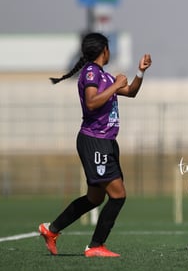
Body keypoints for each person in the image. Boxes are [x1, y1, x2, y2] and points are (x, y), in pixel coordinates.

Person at [38, 32, 152, 257]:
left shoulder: (105, 76)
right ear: (104, 51)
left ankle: (51, 230)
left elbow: (131, 92)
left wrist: (140, 72)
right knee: (118, 195)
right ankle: (95, 246)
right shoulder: (91, 72)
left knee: (95, 198)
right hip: (95, 141)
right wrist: (116, 84)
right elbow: (91, 103)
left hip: (106, 142)